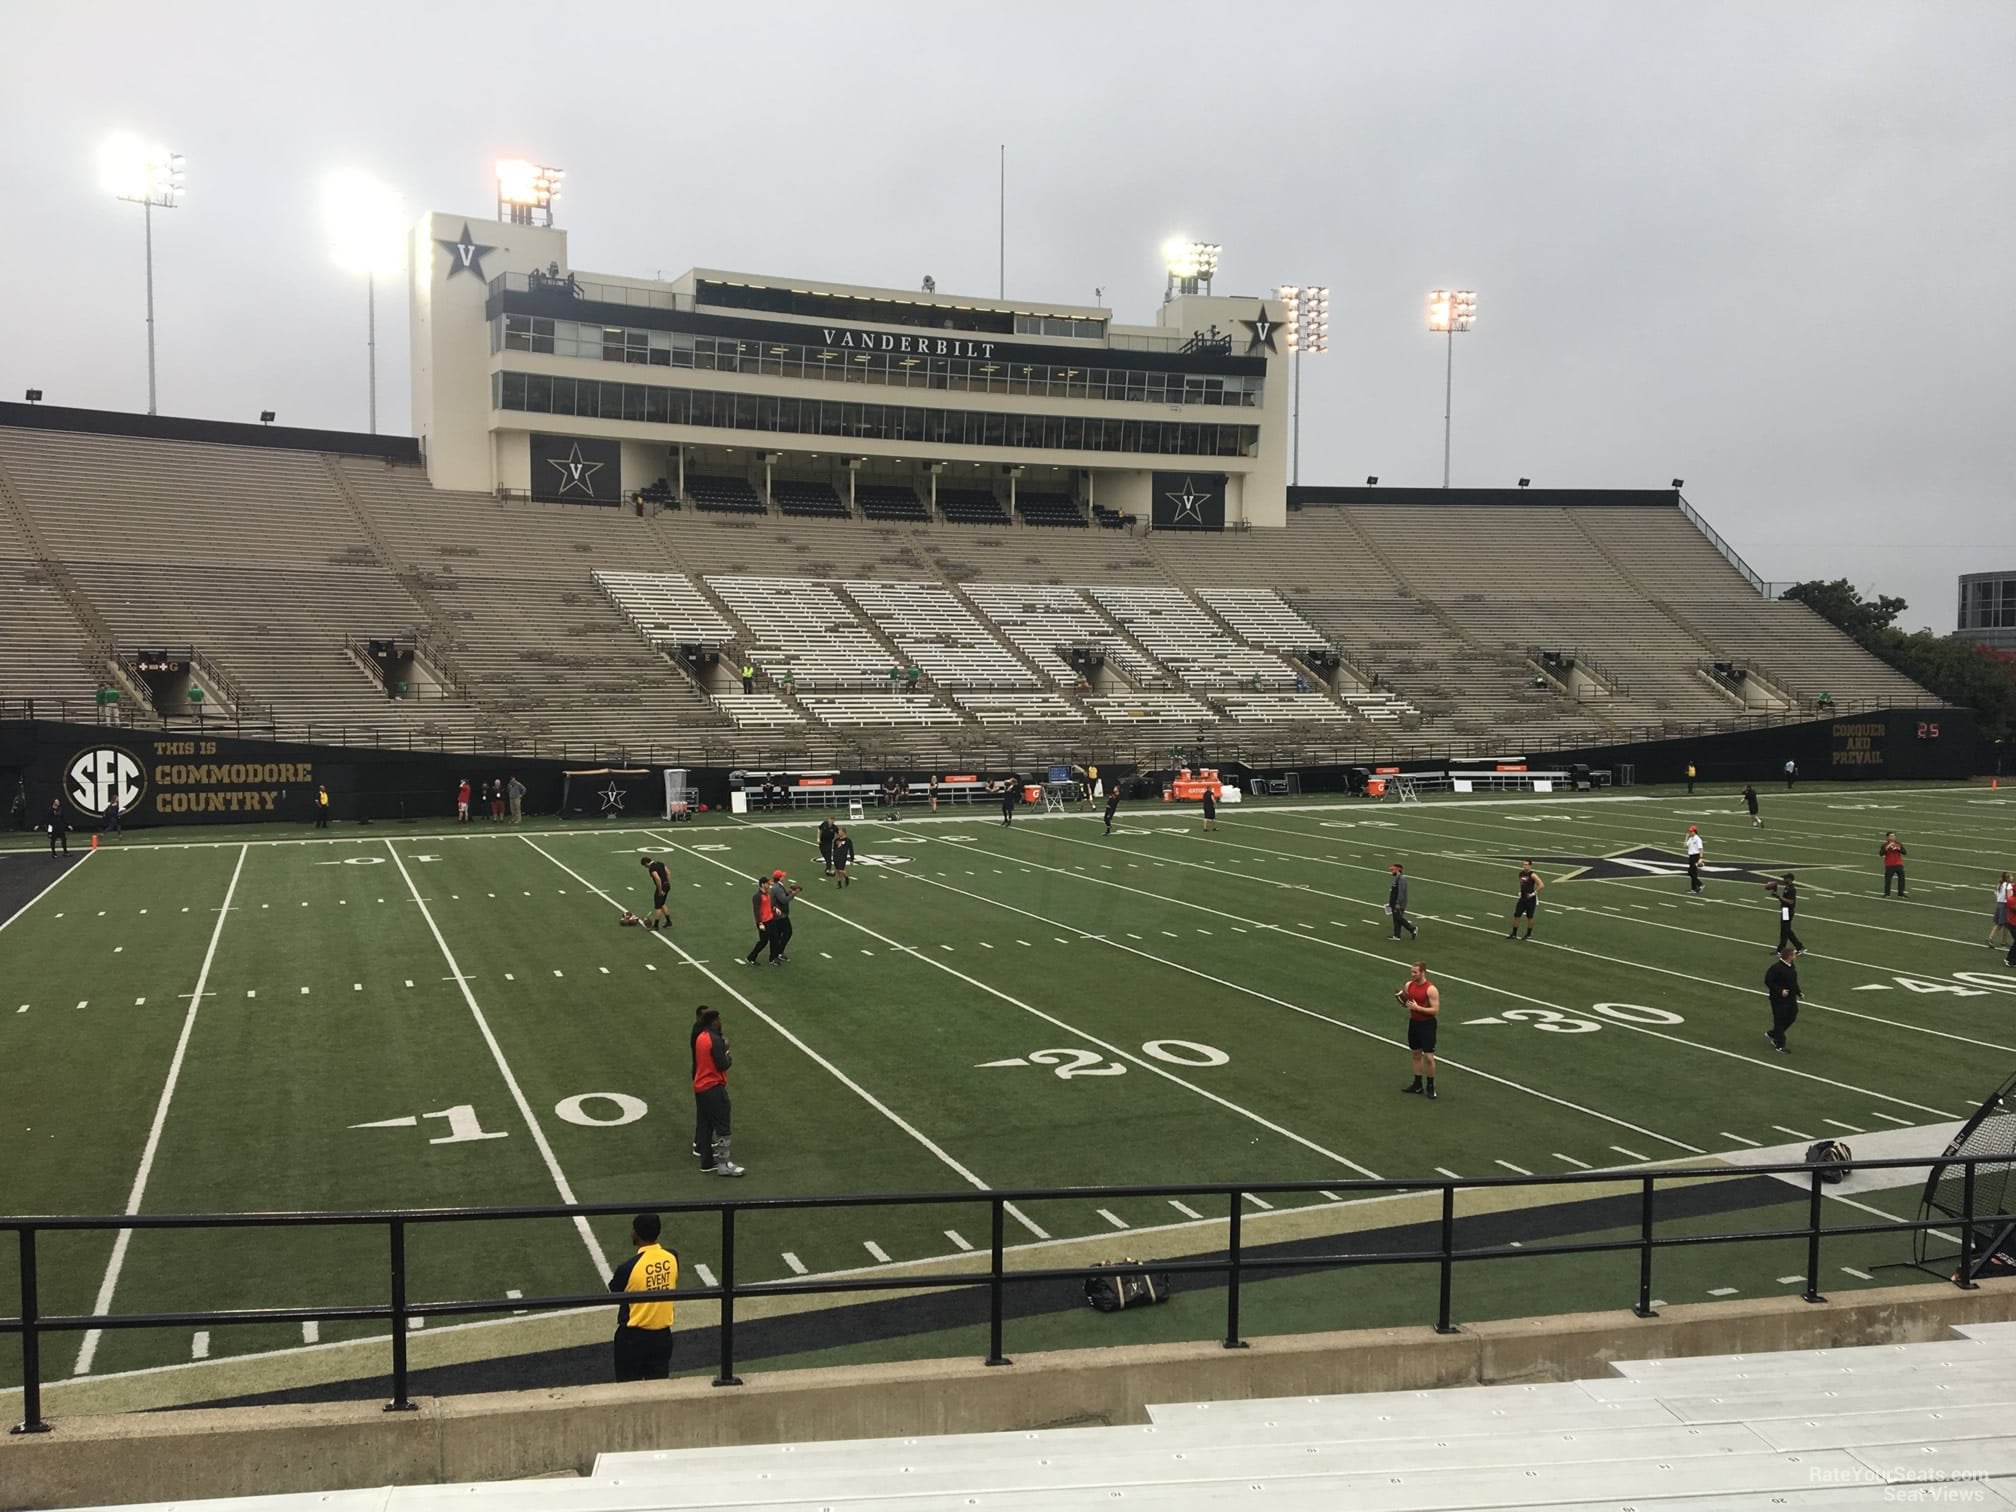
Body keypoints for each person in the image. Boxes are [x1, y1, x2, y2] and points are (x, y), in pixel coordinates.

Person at [608, 1213, 678, 1380]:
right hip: (662, 1336)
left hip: (633, 1337)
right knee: (658, 1389)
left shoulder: (627, 1268)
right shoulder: (672, 1257)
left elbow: (614, 1290)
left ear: (637, 1234)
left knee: (628, 1390)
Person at [692, 1008, 744, 1176]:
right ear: (714, 1021)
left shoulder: (701, 1037)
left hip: (700, 1086)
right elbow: (723, 1064)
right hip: (713, 1087)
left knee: (706, 1125)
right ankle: (724, 1165)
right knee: (723, 1127)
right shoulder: (716, 1040)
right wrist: (727, 1052)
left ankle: (707, 1163)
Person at [1397, 961, 1440, 1100]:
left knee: (1428, 1057)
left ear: (1422, 972)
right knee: (1416, 1053)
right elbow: (1408, 1004)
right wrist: (1403, 1002)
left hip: (1427, 1025)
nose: (1412, 974)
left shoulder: (1431, 989)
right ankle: (1417, 1084)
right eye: (1412, 972)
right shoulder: (1409, 985)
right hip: (1414, 1023)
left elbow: (1435, 1010)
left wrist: (1418, 1008)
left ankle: (1431, 1086)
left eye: (1415, 972)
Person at [1764, 943, 1801, 1053]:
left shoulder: (1791, 966)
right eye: (1793, 954)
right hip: (1778, 999)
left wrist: (1799, 992)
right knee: (1779, 1020)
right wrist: (1780, 991)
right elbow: (1768, 981)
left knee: (1792, 1015)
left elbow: (1793, 981)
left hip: (1791, 998)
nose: (1795, 956)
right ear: (1788, 956)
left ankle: (1773, 1033)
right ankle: (1780, 1045)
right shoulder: (1776, 968)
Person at [767, 869, 800, 962]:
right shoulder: (777, 888)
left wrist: (789, 892)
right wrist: (793, 894)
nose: (784, 877)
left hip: (780, 915)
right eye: (782, 876)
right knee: (786, 933)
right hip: (780, 916)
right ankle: (777, 953)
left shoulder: (777, 887)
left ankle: (777, 953)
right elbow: (783, 900)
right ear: (779, 878)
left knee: (781, 935)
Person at [1769, 873, 1805, 956]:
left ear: (1789, 879)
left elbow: (1791, 902)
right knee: (1786, 930)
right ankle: (1799, 947)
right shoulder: (1787, 888)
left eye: (1785, 878)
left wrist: (1779, 897)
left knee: (1785, 931)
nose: (1783, 880)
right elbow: (1784, 900)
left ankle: (1782, 950)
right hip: (1785, 910)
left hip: (1788, 911)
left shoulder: (1792, 889)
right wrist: (1777, 895)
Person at [1507, 861, 1542, 940]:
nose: (1524, 866)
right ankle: (1514, 933)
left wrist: (1534, 893)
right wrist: (1520, 891)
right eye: (1524, 864)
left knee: (1530, 916)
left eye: (1526, 864)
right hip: (1522, 898)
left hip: (1530, 899)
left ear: (1530, 866)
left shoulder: (1533, 875)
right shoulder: (1521, 874)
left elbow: (1541, 884)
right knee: (1517, 915)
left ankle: (1528, 934)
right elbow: (1522, 884)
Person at [741, 875, 773, 965]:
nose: (769, 885)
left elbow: (768, 905)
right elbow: (756, 910)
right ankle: (751, 957)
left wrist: (774, 909)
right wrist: (760, 923)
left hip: (770, 920)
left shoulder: (767, 894)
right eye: (767, 884)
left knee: (772, 938)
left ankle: (773, 956)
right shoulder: (757, 896)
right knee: (763, 941)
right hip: (763, 922)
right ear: (762, 884)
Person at [1387, 863, 1418, 941]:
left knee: (1399, 918)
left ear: (1398, 870)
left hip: (1399, 904)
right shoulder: (1396, 878)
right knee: (1396, 919)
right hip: (1394, 903)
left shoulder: (1402, 879)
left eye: (1393, 870)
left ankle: (1412, 929)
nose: (1391, 871)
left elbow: (1401, 893)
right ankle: (1396, 936)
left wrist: (1397, 903)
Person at [641, 855, 672, 932]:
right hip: (667, 885)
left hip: (661, 887)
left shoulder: (652, 868)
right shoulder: (660, 863)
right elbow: (668, 872)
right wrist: (666, 882)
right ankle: (668, 921)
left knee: (658, 906)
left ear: (646, 863)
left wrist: (660, 889)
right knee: (662, 903)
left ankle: (656, 925)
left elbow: (657, 878)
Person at [1879, 832, 1908, 897]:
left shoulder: (1898, 844)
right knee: (1888, 880)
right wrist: (1887, 848)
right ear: (1888, 837)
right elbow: (1881, 854)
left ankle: (1901, 893)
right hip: (1889, 865)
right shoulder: (1885, 845)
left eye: (1894, 836)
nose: (1893, 837)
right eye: (1891, 836)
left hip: (1899, 864)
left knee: (1902, 879)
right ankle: (1887, 893)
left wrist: (1898, 848)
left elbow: (1905, 852)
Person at [1991, 872, 2013, 951]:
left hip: (1999, 904)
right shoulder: (2008, 885)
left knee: (2005, 924)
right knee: (2001, 924)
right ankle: (1991, 938)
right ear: (2007, 878)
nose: (2012, 878)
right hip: (2005, 905)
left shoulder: (2000, 884)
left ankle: (2004, 941)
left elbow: (1995, 893)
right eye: (2011, 876)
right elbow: (2009, 897)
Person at [1685, 825, 1704, 896]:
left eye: (1691, 831)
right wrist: (1686, 837)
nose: (1689, 832)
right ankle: (1694, 888)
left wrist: (1700, 858)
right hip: (1691, 856)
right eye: (1689, 831)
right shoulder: (1691, 838)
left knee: (1691, 872)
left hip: (1695, 856)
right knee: (1692, 873)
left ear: (1694, 831)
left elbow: (1701, 849)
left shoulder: (1697, 839)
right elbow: (1685, 845)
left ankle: (1700, 884)